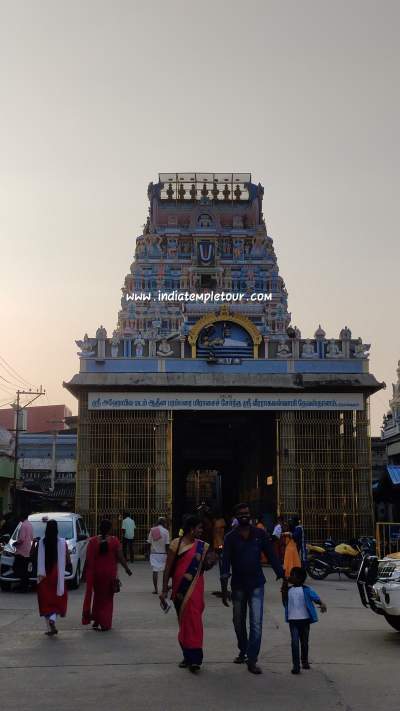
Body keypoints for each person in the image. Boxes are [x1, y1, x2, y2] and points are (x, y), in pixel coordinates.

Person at [221, 502, 285, 675]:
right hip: (238, 585)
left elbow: (271, 554)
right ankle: (243, 649)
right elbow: (225, 562)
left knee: (256, 622)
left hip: (257, 583)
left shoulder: (260, 534)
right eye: (241, 513)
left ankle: (252, 658)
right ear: (236, 516)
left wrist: (282, 574)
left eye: (247, 513)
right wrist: (223, 585)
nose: (244, 516)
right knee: (238, 621)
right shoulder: (230, 537)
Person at [160, 515, 213, 673]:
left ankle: (195, 659)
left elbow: (205, 566)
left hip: (196, 588)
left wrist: (211, 561)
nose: (201, 531)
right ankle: (187, 656)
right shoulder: (176, 544)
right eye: (199, 528)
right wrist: (164, 589)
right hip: (180, 589)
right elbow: (168, 567)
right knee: (184, 622)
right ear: (191, 529)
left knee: (194, 620)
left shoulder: (202, 546)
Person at [82, 519, 132, 631]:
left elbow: (88, 559)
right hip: (109, 574)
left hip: (96, 574)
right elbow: (120, 557)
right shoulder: (114, 541)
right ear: (109, 529)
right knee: (108, 599)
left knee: (98, 596)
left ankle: (97, 619)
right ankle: (105, 623)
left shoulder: (93, 541)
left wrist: (86, 573)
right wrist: (127, 569)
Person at [282, 566, 327, 674]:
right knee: (294, 643)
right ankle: (296, 665)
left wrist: (321, 603)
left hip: (305, 620)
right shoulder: (288, 590)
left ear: (300, 578)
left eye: (293, 575)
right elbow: (284, 600)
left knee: (304, 642)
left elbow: (315, 597)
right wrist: (284, 582)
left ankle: (304, 660)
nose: (291, 577)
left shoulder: (306, 590)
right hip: (293, 620)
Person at [37, 519, 70, 635]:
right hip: (57, 573)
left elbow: (37, 558)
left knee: (46, 601)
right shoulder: (62, 542)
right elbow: (67, 559)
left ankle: (50, 627)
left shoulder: (41, 542)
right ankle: (53, 619)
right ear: (57, 529)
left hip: (44, 574)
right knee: (58, 599)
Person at [147, 517, 170, 594]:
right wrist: (168, 554)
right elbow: (167, 544)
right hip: (163, 554)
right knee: (165, 572)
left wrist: (148, 552)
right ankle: (164, 588)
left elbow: (149, 542)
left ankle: (155, 589)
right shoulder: (166, 531)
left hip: (154, 554)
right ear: (164, 523)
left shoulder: (153, 530)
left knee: (155, 571)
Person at [13, 510, 33, 593]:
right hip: (28, 550)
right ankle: (25, 585)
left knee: (17, 568)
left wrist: (15, 543)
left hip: (21, 551)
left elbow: (21, 539)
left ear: (21, 518)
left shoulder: (23, 525)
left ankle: (23, 586)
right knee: (25, 570)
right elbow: (31, 537)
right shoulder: (30, 525)